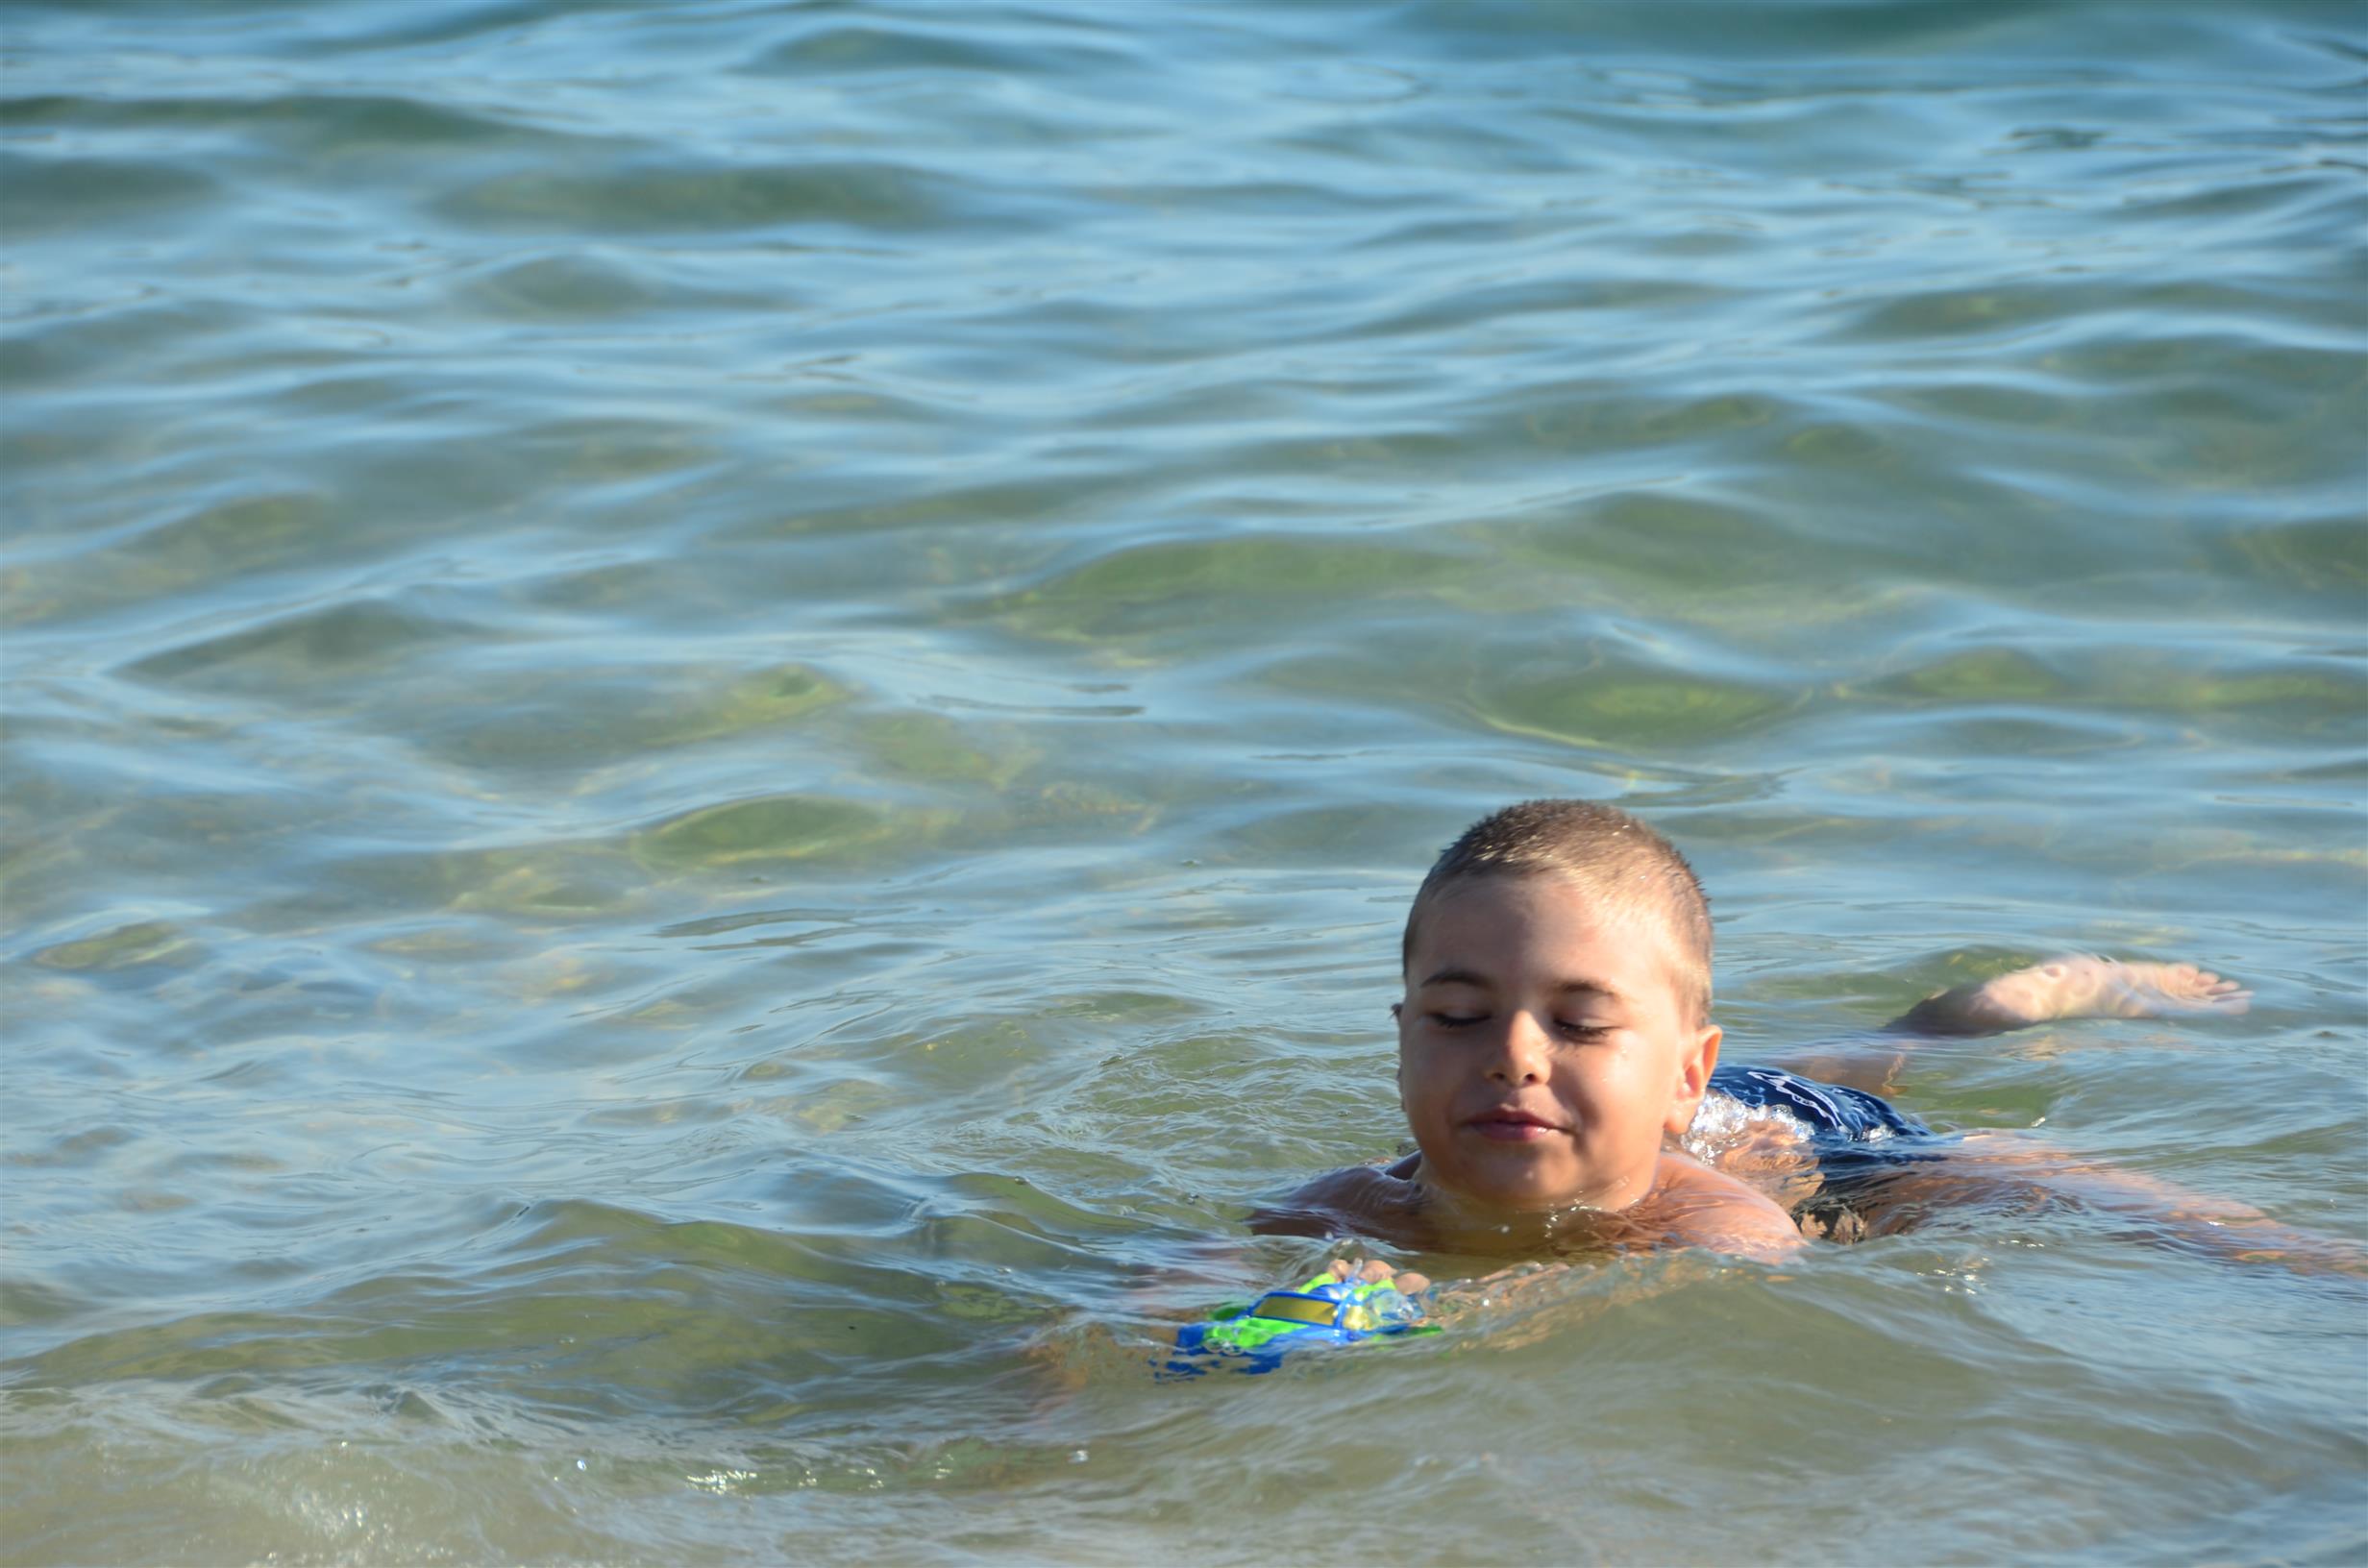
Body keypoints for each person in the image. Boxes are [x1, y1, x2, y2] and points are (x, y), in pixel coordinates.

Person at [1253, 798, 2335, 1286]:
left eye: (1576, 1020)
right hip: (1675, 1103)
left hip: (1834, 1154)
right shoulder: (1342, 1208)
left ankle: (2036, 996)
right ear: (1403, 1041)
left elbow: (1725, 1281)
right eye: (1457, 1017)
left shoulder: (1715, 1222)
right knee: (1855, 1048)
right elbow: (1186, 1285)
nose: (1514, 1055)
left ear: (1684, 1072)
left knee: (2019, 1174)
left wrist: (1474, 1306)